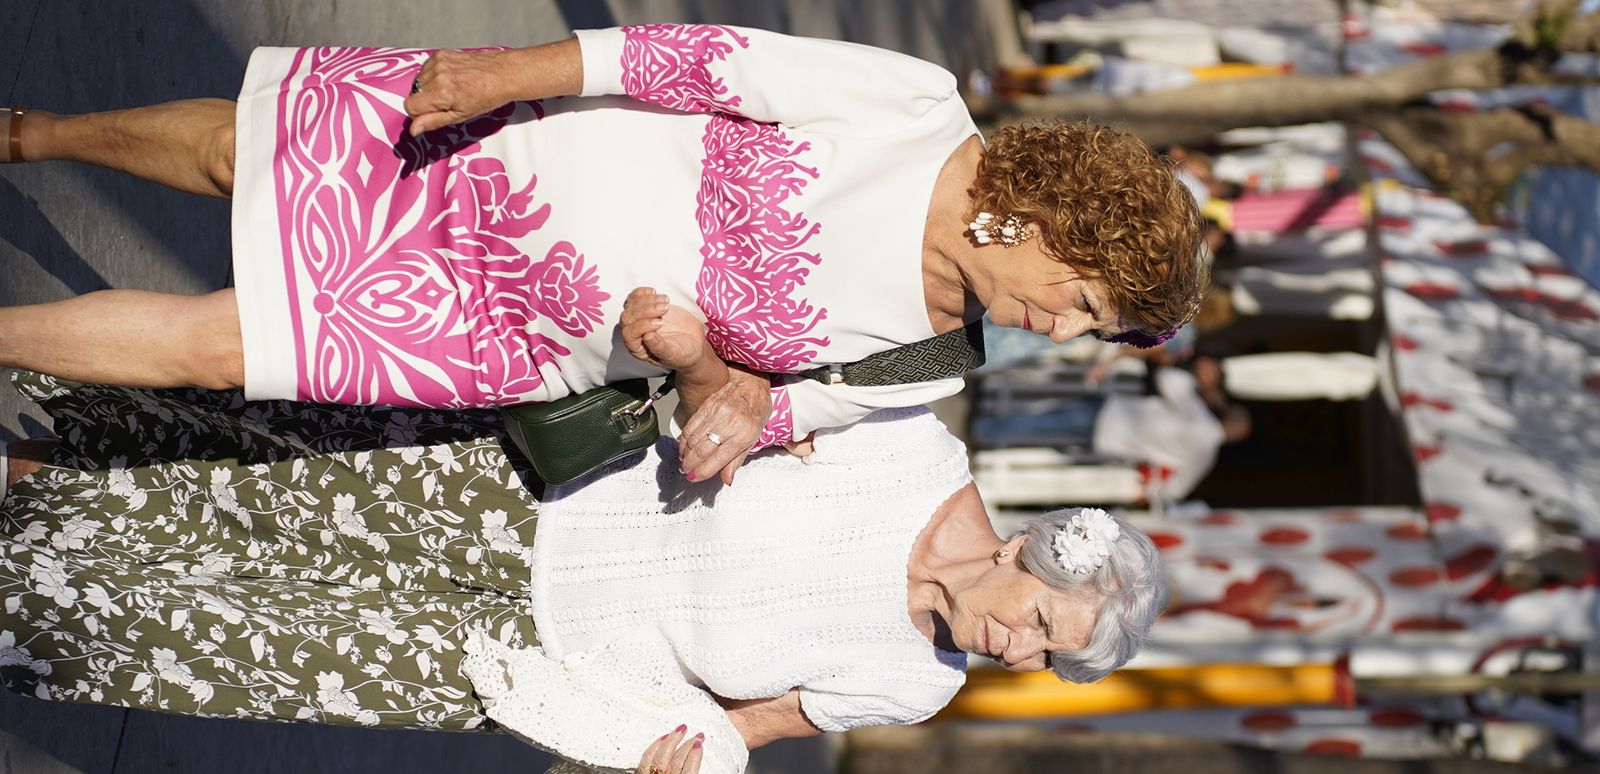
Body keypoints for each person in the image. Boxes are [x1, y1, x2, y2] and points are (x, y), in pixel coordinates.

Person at [0, 24, 1207, 485]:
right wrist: (515, 73)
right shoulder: (919, 111)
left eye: (1086, 329)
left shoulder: (933, 364)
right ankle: (35, 133)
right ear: (1058, 226)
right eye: (1082, 299)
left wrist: (713, 394)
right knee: (238, 156)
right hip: (517, 158)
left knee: (224, 349)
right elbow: (711, 61)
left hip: (507, 334)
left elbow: (761, 416)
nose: (1061, 330)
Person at [0, 372, 1166, 774]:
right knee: (232, 502)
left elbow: (742, 729)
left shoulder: (913, 685)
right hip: (509, 504)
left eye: (1041, 664)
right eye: (1039, 626)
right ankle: (28, 486)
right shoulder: (908, 448)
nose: (1016, 652)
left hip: (517, 663)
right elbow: (739, 378)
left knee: (233, 647)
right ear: (1032, 552)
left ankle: (21, 597)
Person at [972, 354, 1250, 501]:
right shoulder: (1204, 459)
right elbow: (1174, 491)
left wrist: (1201, 388)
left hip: (1114, 414)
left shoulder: (1199, 416)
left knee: (1046, 419)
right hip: (1114, 446)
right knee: (1047, 433)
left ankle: (986, 428)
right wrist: (1149, 480)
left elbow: (1170, 379)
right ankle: (988, 431)